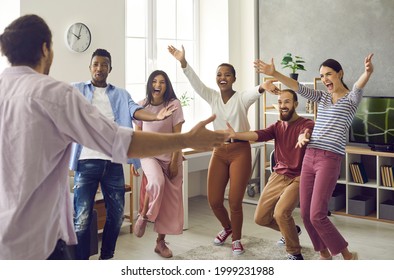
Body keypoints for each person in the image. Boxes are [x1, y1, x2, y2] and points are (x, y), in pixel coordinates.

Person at [0, 14, 227, 260]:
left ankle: (108, 258)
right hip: (36, 243)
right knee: (84, 215)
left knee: (115, 214)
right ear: (46, 49)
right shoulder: (56, 94)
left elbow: (133, 115)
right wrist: (186, 140)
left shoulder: (115, 94)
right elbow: (121, 140)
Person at [254, 53, 374, 260]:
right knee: (307, 215)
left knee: (317, 214)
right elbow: (298, 87)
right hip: (309, 157)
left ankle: (347, 255)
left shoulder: (351, 99)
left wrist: (367, 72)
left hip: (329, 159)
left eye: (329, 74)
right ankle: (324, 254)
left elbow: (358, 86)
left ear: (340, 74)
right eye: (322, 75)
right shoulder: (323, 97)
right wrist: (274, 74)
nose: (325, 78)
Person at [69, 49, 177, 260]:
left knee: (117, 217)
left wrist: (155, 118)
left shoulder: (120, 94)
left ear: (110, 68)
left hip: (113, 161)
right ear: (90, 67)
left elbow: (135, 111)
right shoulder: (77, 89)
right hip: (86, 161)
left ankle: (107, 258)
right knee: (81, 220)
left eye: (104, 65)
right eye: (95, 64)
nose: (99, 68)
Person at [168, 45, 265, 255]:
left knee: (236, 201)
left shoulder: (241, 98)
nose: (223, 78)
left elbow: (254, 91)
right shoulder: (212, 96)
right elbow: (196, 84)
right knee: (214, 200)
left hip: (240, 151)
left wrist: (265, 85)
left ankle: (237, 239)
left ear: (234, 78)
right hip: (219, 151)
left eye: (227, 75)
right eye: (219, 75)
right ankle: (228, 228)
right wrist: (183, 63)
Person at [225, 85, 314, 260]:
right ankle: (291, 230)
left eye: (287, 102)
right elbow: (258, 134)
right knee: (260, 218)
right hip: (279, 175)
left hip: (299, 176)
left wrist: (304, 137)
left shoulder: (306, 123)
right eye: (280, 102)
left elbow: (306, 132)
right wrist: (235, 135)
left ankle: (295, 253)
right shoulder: (277, 126)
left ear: (295, 104)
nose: (282, 105)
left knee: (281, 213)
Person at [132, 70, 185, 258]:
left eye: (162, 82)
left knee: (169, 203)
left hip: (171, 156)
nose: (158, 84)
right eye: (154, 81)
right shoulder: (140, 106)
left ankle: (160, 242)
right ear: (149, 84)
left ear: (167, 85)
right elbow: (137, 136)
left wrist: (174, 161)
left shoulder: (174, 105)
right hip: (148, 155)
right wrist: (133, 161)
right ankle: (145, 215)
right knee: (157, 183)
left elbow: (178, 137)